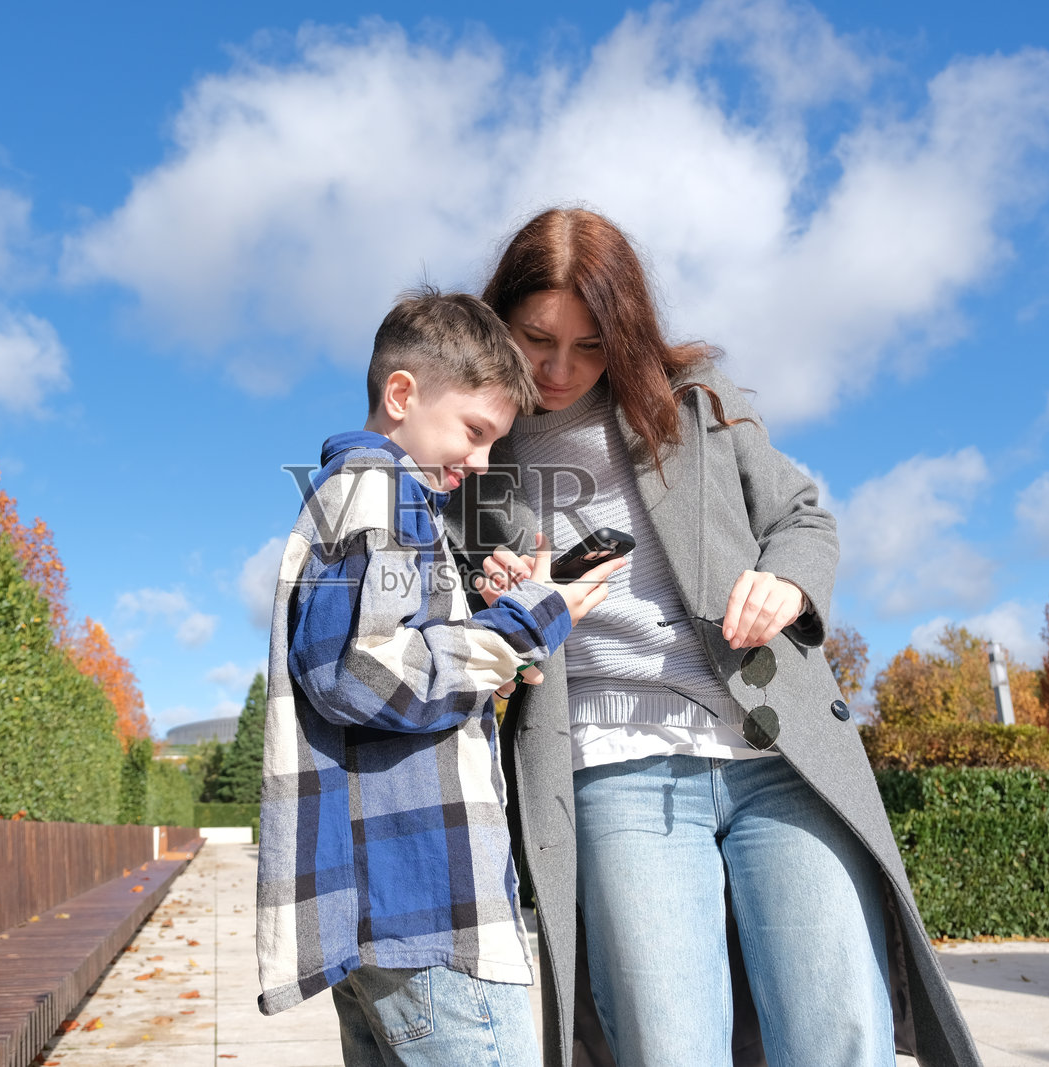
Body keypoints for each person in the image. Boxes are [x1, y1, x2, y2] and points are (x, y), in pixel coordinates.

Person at [445, 208, 983, 1067]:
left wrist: (788, 583)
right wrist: (499, 599)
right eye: (536, 337)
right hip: (610, 761)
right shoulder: (472, 450)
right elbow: (464, 610)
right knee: (669, 1043)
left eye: (589, 346)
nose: (557, 368)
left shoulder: (692, 404)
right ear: (498, 319)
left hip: (777, 757)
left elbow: (801, 515)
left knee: (841, 1030)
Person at [255, 286, 626, 1066]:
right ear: (401, 394)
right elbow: (361, 671)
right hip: (424, 905)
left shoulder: (368, 497)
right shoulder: (384, 492)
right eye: (475, 430)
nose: (482, 462)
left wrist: (501, 629)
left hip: (389, 917)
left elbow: (385, 660)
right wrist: (529, 619)